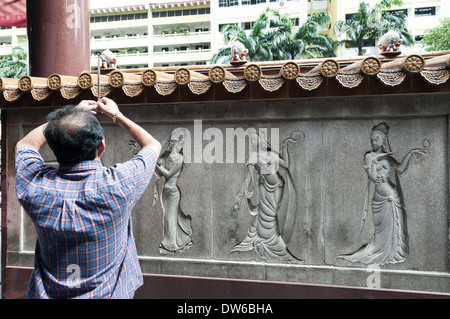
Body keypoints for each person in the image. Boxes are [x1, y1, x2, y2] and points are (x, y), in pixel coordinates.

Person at [15, 97, 161, 299]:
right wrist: (116, 116)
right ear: (101, 146)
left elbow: (26, 143)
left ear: (54, 146)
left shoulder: (36, 186)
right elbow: (152, 145)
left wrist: (67, 118)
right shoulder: (119, 184)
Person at [338, 122, 427, 265]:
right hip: (380, 197)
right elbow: (372, 177)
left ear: (383, 140)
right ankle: (376, 252)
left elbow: (400, 169)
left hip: (393, 196)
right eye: (371, 140)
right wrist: (373, 161)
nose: (373, 142)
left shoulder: (389, 157)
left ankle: (395, 254)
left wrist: (411, 154)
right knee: (379, 233)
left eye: (376, 139)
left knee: (397, 228)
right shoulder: (369, 156)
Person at [153, 128, 193, 255]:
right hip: (165, 191)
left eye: (172, 142)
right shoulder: (165, 156)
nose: (170, 144)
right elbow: (159, 173)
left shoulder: (180, 159)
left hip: (174, 193)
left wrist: (155, 164)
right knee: (168, 218)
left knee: (170, 218)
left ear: (177, 143)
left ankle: (170, 245)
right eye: (170, 141)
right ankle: (180, 240)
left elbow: (169, 174)